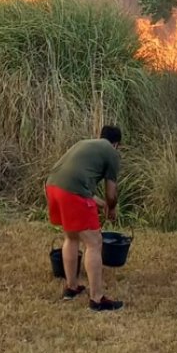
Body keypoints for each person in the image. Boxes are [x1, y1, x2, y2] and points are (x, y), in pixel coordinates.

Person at [45, 125, 123, 311]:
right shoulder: (111, 153)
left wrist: (102, 204)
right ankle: (97, 299)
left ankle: (71, 287)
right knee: (94, 242)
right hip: (71, 192)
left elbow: (81, 187)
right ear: (117, 144)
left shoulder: (85, 144)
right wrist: (111, 208)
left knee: (71, 237)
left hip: (53, 187)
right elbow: (111, 193)